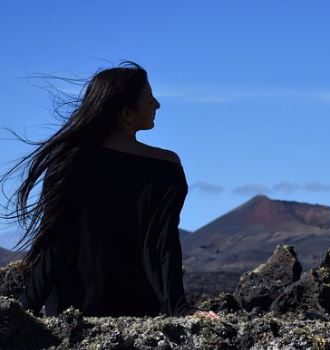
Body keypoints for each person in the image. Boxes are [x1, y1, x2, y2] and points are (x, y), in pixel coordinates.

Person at [0, 61, 220, 320]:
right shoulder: (165, 167)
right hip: (138, 310)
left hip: (72, 313)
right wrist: (179, 307)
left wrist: (23, 312)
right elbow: (163, 245)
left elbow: (53, 245)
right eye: (149, 100)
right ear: (126, 114)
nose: (157, 105)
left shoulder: (68, 163)